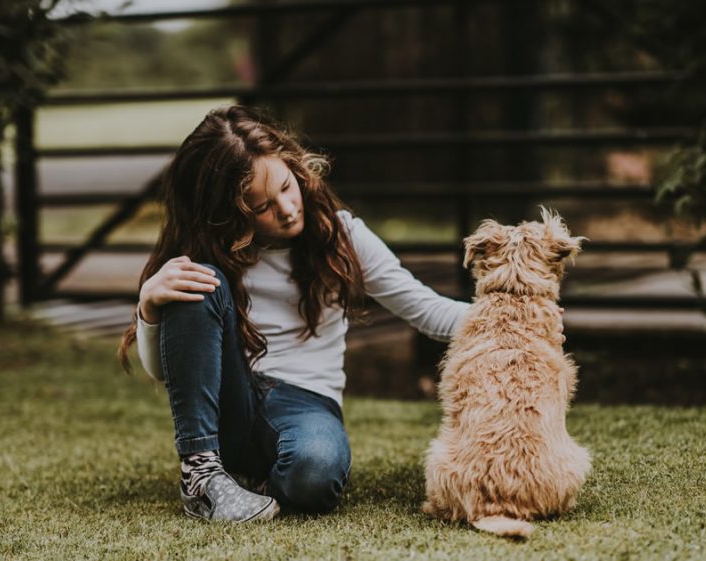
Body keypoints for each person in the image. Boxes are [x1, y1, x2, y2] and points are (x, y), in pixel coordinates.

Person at [116, 105, 562, 523]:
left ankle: (252, 484)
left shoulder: (341, 235)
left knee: (315, 476)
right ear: (225, 214)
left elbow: (425, 309)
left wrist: (518, 324)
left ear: (296, 166)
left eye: (286, 187)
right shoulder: (201, 257)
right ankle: (202, 477)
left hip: (305, 401)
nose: (287, 209)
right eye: (261, 207)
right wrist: (150, 307)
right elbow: (166, 374)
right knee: (196, 280)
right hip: (227, 402)